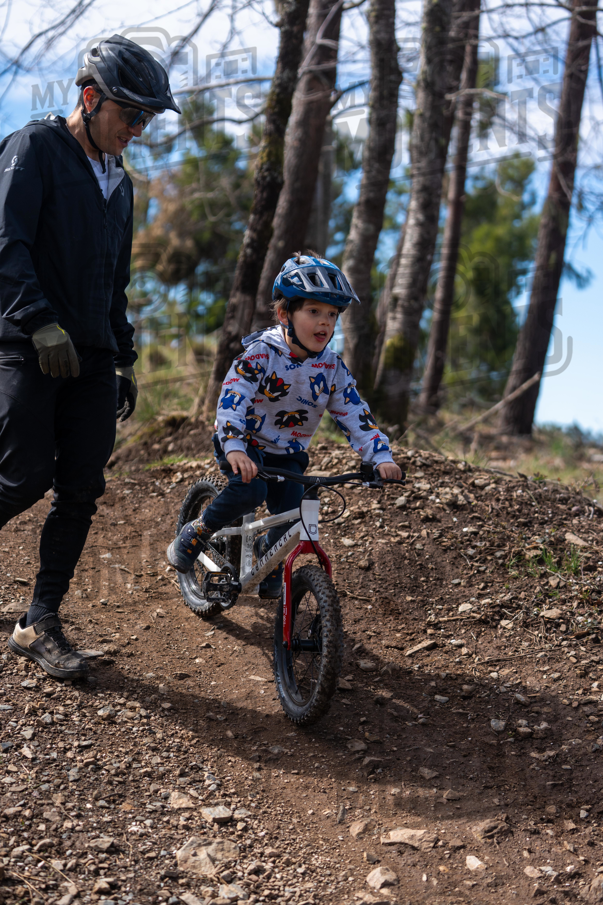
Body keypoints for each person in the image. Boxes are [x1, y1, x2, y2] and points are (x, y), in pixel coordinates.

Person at [2, 35, 181, 680]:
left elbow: (115, 282)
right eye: (131, 115)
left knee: (81, 486)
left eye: (147, 119)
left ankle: (38, 621)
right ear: (89, 98)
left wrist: (124, 356)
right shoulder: (35, 148)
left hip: (93, 356)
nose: (138, 128)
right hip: (27, 346)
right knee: (22, 473)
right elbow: (7, 243)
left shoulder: (122, 185)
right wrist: (39, 323)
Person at [167, 253, 402, 597]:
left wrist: (380, 456)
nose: (325, 323)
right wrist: (232, 444)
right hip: (245, 444)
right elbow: (233, 396)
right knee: (252, 491)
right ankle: (197, 532)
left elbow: (355, 414)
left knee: (300, 513)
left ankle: (267, 556)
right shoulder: (262, 352)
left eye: (332, 314)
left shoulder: (332, 368)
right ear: (284, 314)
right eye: (313, 311)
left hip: (287, 452)